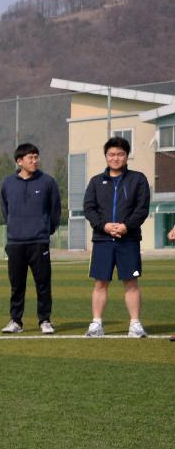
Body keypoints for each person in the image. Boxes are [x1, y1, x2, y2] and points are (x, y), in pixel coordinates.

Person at [82, 136, 151, 338]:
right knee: (100, 282)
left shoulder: (138, 179)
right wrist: (103, 226)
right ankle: (96, 324)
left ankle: (135, 324)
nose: (115, 158)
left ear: (126, 156)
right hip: (102, 240)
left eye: (120, 154)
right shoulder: (96, 181)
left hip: (128, 240)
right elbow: (89, 208)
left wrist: (125, 227)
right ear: (106, 156)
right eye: (111, 154)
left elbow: (142, 209)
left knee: (131, 282)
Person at [0, 143, 61, 334]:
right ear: (19, 161)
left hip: (38, 241)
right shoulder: (7, 183)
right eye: (30, 158)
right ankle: (16, 321)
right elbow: (5, 209)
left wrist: (45, 230)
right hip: (16, 242)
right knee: (17, 285)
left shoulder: (48, 182)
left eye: (36, 157)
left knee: (43, 283)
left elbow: (55, 210)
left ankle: (45, 320)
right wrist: (14, 228)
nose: (34, 161)